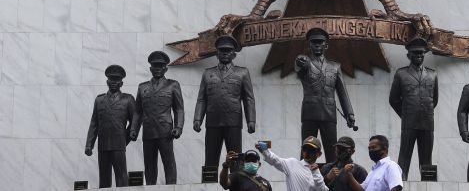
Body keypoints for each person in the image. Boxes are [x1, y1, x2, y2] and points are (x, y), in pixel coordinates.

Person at [194, 35, 256, 167]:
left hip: (233, 121)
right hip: (212, 121)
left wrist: (251, 121)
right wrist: (197, 119)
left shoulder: (242, 73)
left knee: (235, 158)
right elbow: (201, 99)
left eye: (228, 50)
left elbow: (249, 99)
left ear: (234, 54)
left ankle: (236, 183)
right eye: (222, 50)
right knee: (210, 157)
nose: (225, 53)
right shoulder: (207, 73)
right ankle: (208, 186)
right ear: (217, 53)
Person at [296, 27, 355, 162]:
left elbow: (342, 92)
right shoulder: (304, 61)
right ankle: (303, 177)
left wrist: (349, 113)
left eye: (320, 42)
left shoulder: (335, 66)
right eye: (314, 42)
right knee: (307, 150)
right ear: (309, 45)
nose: (317, 45)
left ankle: (332, 179)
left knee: (332, 151)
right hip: (309, 113)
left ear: (326, 45)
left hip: (329, 113)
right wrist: (301, 62)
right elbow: (300, 65)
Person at [130, 51, 184, 185]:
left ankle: (171, 188)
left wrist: (178, 127)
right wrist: (133, 129)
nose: (158, 68)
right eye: (155, 66)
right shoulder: (142, 87)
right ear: (150, 68)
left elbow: (179, 109)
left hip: (166, 131)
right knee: (149, 165)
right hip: (148, 131)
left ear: (166, 68)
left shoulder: (173, 85)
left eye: (161, 66)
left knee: (168, 162)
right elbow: (138, 111)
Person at [388, 37, 438, 180]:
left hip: (427, 122)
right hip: (409, 122)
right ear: (408, 55)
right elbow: (393, 99)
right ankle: (400, 183)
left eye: (422, 53)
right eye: (416, 53)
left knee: (426, 157)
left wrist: (423, 112)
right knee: (405, 155)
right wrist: (406, 114)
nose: (419, 56)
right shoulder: (401, 74)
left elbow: (434, 100)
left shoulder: (433, 74)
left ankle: (428, 185)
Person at [85, 65, 136, 188]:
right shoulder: (99, 100)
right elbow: (94, 124)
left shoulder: (128, 99)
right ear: (107, 81)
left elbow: (135, 122)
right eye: (111, 80)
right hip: (103, 145)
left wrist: (125, 139)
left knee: (121, 176)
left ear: (121, 83)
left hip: (118, 144)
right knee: (104, 177)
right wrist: (89, 144)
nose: (114, 83)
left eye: (117, 80)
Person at [256, 136, 329, 191]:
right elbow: (275, 160)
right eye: (305, 148)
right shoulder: (292, 164)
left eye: (311, 149)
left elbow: (322, 189)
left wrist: (316, 172)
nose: (307, 151)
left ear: (319, 154)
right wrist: (265, 151)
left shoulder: (318, 172)